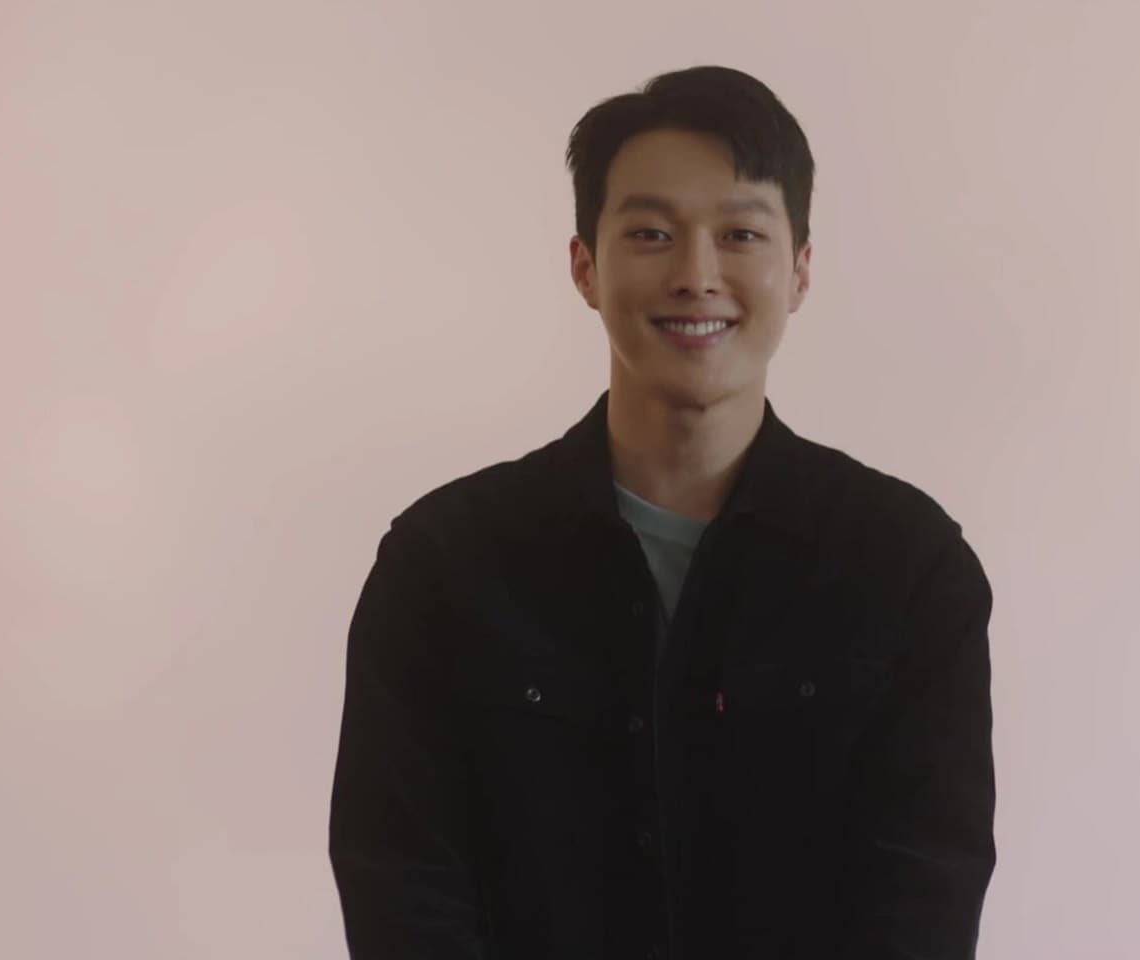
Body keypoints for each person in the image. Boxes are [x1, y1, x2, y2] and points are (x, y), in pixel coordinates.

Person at [328, 63, 996, 960]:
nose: (695, 275)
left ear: (800, 270)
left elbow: (922, 898)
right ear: (584, 267)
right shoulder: (443, 565)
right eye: (650, 233)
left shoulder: (907, 568)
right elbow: (402, 888)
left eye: (740, 234)